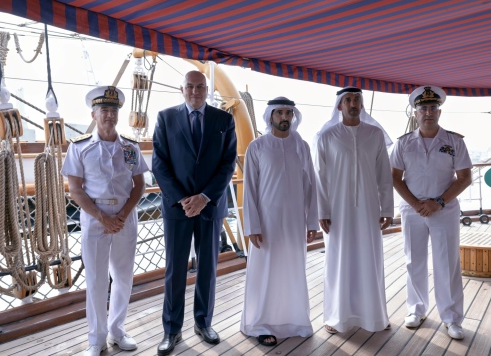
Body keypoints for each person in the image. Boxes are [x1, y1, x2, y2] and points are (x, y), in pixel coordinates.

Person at [152, 70, 237, 355]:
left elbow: (228, 164)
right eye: (190, 86)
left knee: (208, 270)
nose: (195, 91)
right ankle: (171, 330)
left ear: (206, 89)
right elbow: (159, 164)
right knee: (175, 271)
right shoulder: (166, 118)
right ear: (182, 88)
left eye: (200, 87)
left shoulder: (224, 120)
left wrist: (203, 197)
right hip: (178, 209)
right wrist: (182, 199)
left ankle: (204, 323)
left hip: (209, 207)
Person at [61, 86, 149, 356]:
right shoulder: (79, 148)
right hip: (95, 218)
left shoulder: (130, 149)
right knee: (97, 280)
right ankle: (96, 338)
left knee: (123, 278)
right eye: (104, 110)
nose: (109, 115)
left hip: (125, 218)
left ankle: (117, 330)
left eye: (113, 110)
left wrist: (121, 216)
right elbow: (75, 190)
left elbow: (139, 185)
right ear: (94, 114)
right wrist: (102, 217)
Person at [390, 85, 472, 340]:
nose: (428, 112)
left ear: (439, 111)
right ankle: (416, 310)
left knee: (446, 264)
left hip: (443, 211)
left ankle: (451, 318)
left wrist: (438, 202)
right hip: (412, 211)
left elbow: (465, 177)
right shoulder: (403, 144)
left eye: (433, 108)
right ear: (415, 113)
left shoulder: (454, 142)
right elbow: (394, 177)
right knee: (413, 260)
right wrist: (416, 204)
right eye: (423, 108)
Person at [240, 97, 318, 346]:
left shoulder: (301, 146)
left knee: (292, 270)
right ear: (270, 116)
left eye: (288, 113)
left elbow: (311, 186)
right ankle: (260, 323)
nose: (284, 117)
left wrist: (312, 222)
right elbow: (249, 189)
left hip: (295, 222)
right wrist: (252, 226)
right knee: (265, 273)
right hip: (267, 223)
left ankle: (295, 321)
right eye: (279, 113)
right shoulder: (257, 146)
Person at [315, 86, 394, 334]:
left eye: (356, 99)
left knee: (369, 259)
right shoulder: (326, 136)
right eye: (347, 100)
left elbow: (384, 175)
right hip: (337, 211)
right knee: (338, 261)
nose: (352, 104)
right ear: (339, 105)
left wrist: (387, 208)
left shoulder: (375, 135)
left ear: (361, 104)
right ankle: (337, 317)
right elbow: (320, 177)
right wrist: (322, 211)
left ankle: (374, 316)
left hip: (370, 208)